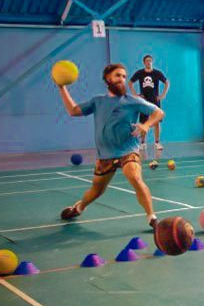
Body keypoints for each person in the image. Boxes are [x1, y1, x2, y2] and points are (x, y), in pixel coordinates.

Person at [58, 63, 164, 229]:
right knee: (97, 190)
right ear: (108, 79)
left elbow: (159, 112)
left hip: (128, 149)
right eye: (117, 76)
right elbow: (73, 110)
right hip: (106, 154)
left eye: (123, 76)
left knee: (134, 176)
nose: (122, 79)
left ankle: (152, 218)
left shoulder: (133, 101)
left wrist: (146, 125)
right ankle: (79, 208)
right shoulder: (98, 101)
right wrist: (61, 87)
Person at [129, 54, 169, 151]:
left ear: (152, 62)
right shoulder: (139, 73)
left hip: (155, 101)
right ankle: (142, 143)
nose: (149, 62)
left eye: (150, 60)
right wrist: (136, 95)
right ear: (144, 62)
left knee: (157, 122)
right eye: (147, 61)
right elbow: (130, 83)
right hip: (143, 102)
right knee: (143, 122)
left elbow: (167, 82)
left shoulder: (157, 73)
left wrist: (163, 95)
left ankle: (157, 143)